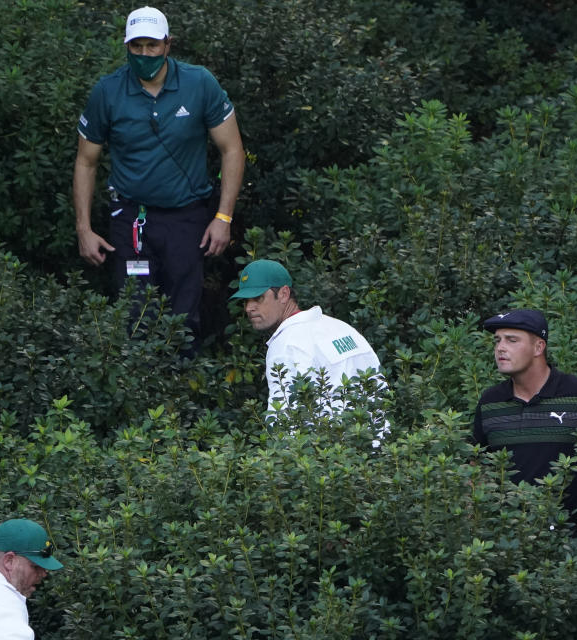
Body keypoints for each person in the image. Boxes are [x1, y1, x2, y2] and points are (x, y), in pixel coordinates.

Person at [74, 6, 245, 342]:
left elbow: (232, 150)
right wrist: (84, 229)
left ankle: (182, 385)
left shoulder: (199, 83)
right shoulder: (107, 92)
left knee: (184, 312)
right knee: (134, 313)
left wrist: (223, 217)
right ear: (126, 46)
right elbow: (85, 161)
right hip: (130, 219)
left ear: (168, 44)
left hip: (187, 216)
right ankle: (138, 389)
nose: (144, 54)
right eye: (136, 46)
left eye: (152, 45)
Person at [472, 309, 577, 516]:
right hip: (507, 539)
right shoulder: (490, 402)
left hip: (571, 541)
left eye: (511, 340)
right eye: (497, 340)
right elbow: (474, 462)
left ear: (538, 347)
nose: (500, 348)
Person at [230, 260, 385, 416]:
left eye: (258, 298)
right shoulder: (343, 328)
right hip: (375, 436)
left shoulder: (286, 345)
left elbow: (287, 419)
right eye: (246, 301)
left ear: (284, 294)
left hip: (329, 438)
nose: (249, 308)